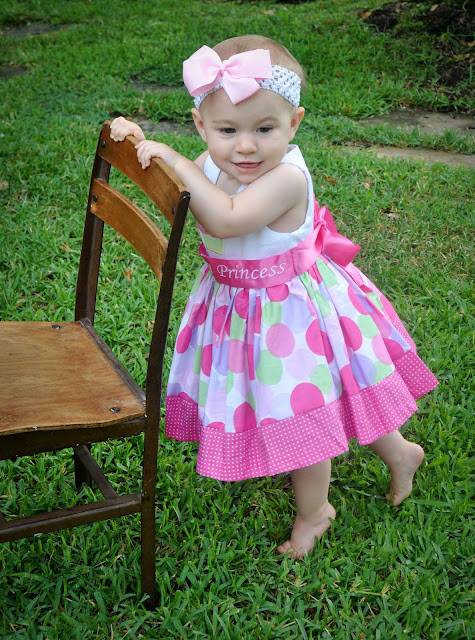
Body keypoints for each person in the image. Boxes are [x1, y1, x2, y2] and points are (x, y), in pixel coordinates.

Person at [110, 35, 438, 558]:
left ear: (294, 123)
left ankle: (316, 512)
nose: (245, 147)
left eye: (265, 129)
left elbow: (226, 218)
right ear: (201, 125)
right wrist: (141, 142)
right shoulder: (211, 162)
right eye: (227, 130)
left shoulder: (286, 179)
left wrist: (176, 158)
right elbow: (186, 183)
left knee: (304, 415)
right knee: (335, 398)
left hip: (292, 316)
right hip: (245, 310)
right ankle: (401, 453)